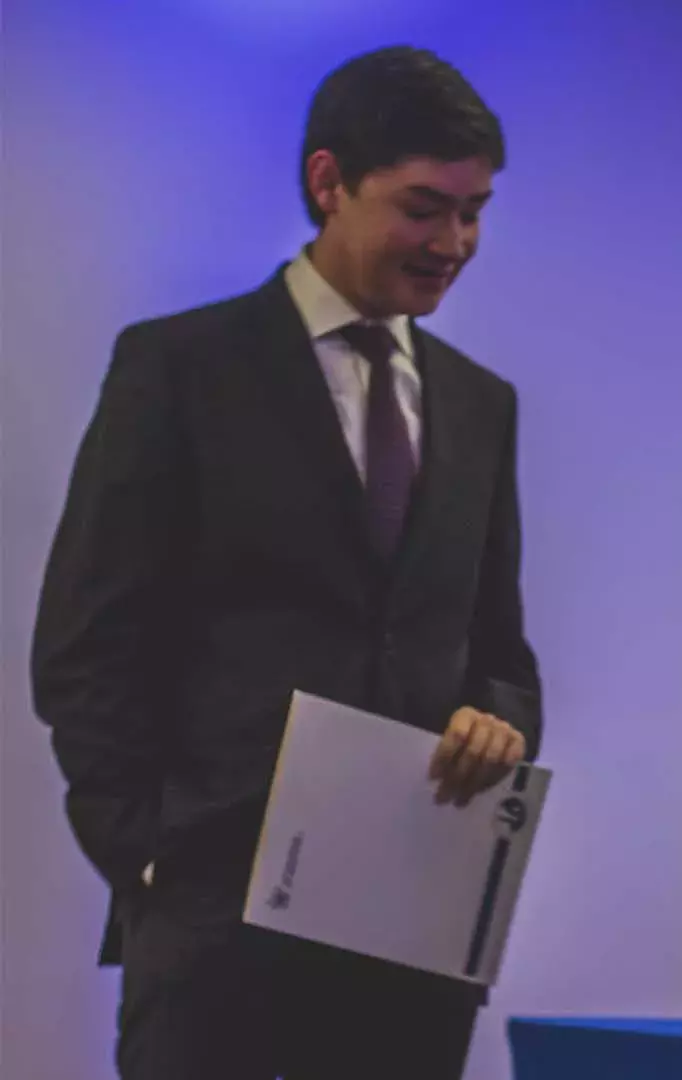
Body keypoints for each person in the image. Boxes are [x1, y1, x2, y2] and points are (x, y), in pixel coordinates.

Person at [31, 45, 538, 1080]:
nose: (455, 242)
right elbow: (85, 647)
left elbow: (499, 648)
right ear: (327, 184)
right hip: (212, 926)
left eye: (474, 211)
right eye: (423, 207)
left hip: (414, 936)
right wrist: (149, 858)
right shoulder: (176, 369)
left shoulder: (486, 405)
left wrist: (498, 716)